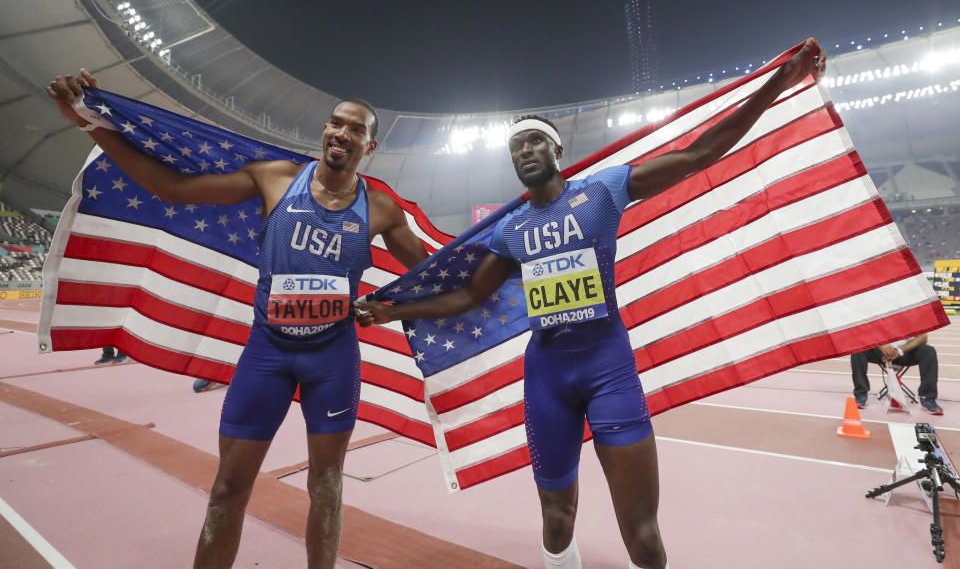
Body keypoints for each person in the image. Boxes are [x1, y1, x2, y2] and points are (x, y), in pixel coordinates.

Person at [356, 39, 827, 568]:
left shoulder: (602, 191)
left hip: (608, 369)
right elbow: (469, 295)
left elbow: (698, 155)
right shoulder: (510, 231)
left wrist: (775, 85)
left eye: (535, 142)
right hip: (547, 374)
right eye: (517, 147)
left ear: (556, 151)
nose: (525, 151)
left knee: (642, 533)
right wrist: (391, 311)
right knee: (556, 520)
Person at [47, 70, 429, 568]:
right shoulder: (275, 178)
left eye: (355, 129)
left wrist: (387, 308)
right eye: (336, 123)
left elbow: (430, 275)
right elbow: (172, 188)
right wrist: (87, 122)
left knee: (328, 487)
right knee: (228, 487)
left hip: (333, 359)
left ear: (369, 146)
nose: (342, 133)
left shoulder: (381, 210)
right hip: (268, 353)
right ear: (325, 131)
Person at [851, 333, 942, 414]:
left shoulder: (911, 315)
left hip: (906, 351)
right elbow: (865, 334)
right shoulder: (878, 314)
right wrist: (881, 345)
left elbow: (923, 337)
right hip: (881, 350)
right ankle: (861, 394)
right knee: (857, 349)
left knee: (929, 351)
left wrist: (900, 350)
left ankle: (928, 398)